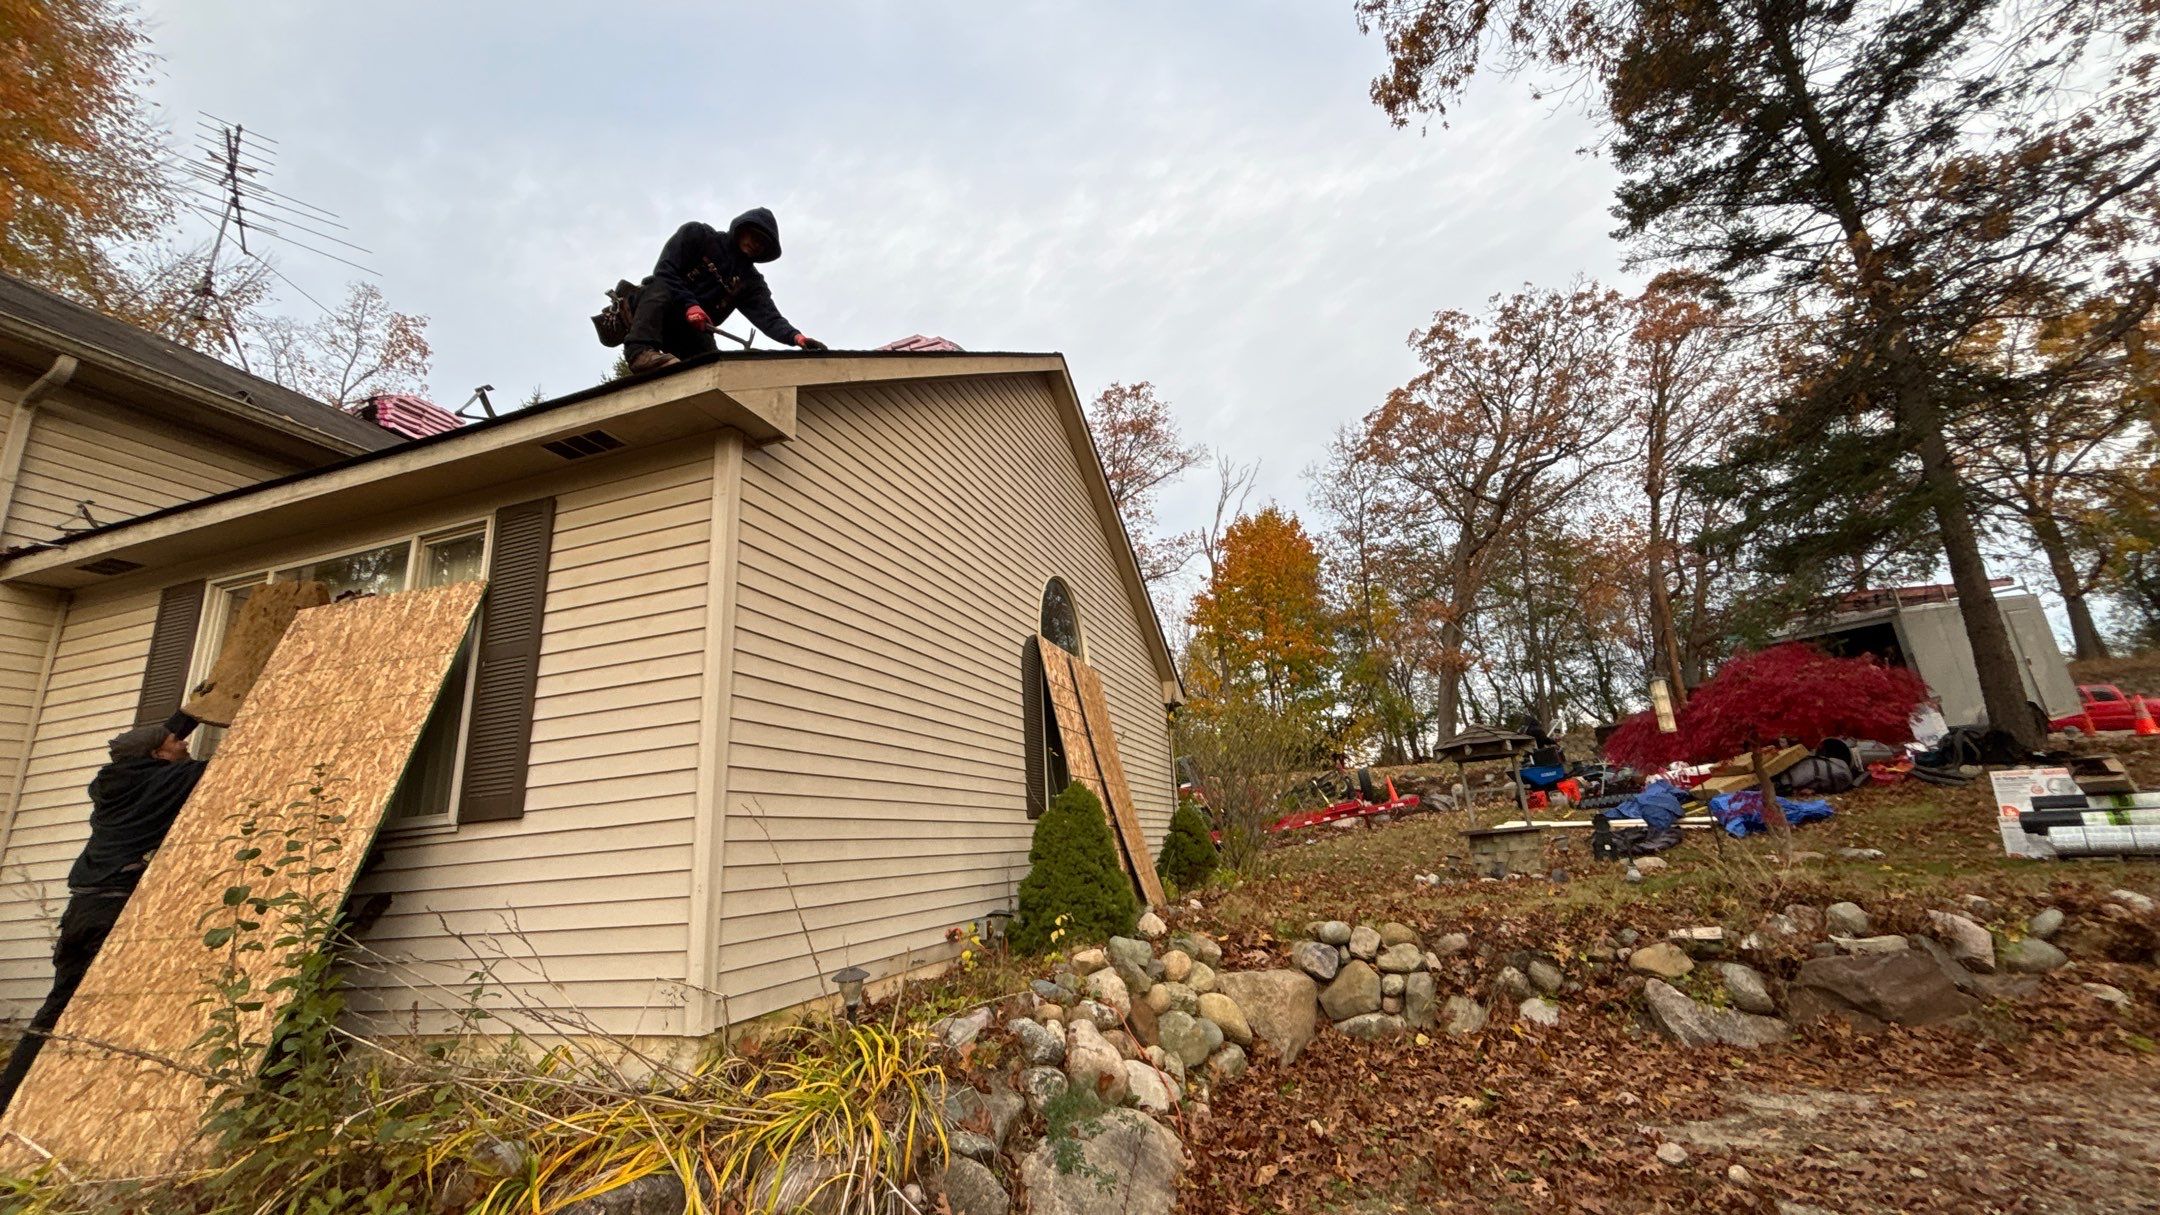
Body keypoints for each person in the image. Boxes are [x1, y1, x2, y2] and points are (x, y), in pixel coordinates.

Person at [0, 713, 205, 1114]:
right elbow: (235, 758)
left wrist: (193, 711)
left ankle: (9, 1097)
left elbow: (150, 742)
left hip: (81, 912)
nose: (184, 744)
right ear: (157, 755)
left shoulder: (112, 782)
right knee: (120, 1006)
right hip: (110, 914)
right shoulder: (165, 782)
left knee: (56, 1009)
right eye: (176, 742)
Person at [624, 209, 827, 373]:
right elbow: (664, 270)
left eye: (763, 243)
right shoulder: (699, 235)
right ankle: (640, 353)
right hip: (656, 312)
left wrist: (796, 337)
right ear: (742, 229)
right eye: (754, 236)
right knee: (659, 288)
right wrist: (690, 305)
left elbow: (770, 318)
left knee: (712, 367)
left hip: (691, 331)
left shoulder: (750, 282)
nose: (756, 244)